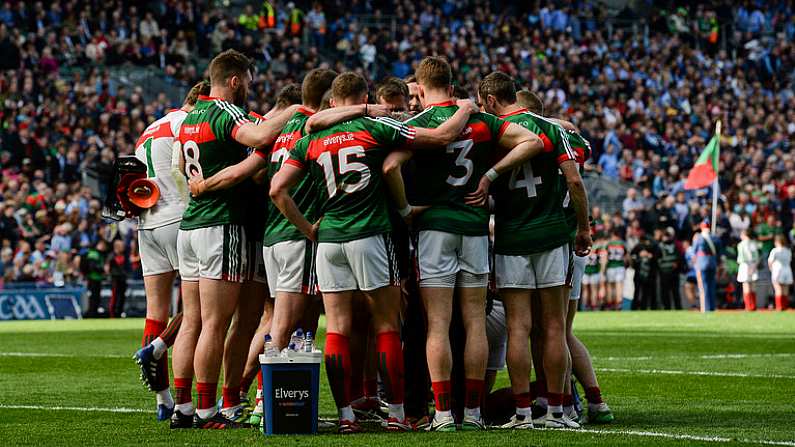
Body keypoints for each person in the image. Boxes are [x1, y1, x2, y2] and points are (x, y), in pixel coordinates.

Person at [270, 71, 477, 433]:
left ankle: (346, 416)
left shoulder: (312, 137)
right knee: (385, 324)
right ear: (365, 96)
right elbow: (443, 135)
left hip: (330, 239)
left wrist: (309, 229)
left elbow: (277, 190)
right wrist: (465, 108)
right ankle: (396, 413)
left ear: (333, 102)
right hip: (371, 234)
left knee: (336, 328)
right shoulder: (375, 129)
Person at [382, 58, 543, 432]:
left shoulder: (417, 123)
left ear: (419, 89)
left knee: (436, 325)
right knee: (473, 323)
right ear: (453, 87)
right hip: (473, 229)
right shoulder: (480, 121)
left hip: (435, 228)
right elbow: (532, 141)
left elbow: (390, 167)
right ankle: (470, 413)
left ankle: (440, 415)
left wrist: (406, 209)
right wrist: (489, 175)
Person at [173, 49, 297, 429]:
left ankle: (183, 406)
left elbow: (180, 168)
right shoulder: (225, 111)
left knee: (193, 321)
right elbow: (258, 134)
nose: (250, 88)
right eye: (248, 81)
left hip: (190, 227)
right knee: (215, 322)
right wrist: (296, 111)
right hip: (220, 225)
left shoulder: (189, 117)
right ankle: (211, 409)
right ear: (234, 80)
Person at [477, 72, 589, 429]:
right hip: (553, 235)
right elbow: (574, 179)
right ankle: (557, 411)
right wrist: (583, 227)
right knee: (555, 326)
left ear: (492, 101)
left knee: (519, 327)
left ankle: (523, 412)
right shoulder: (551, 128)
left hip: (511, 238)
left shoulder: (492, 134)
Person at [131, 80, 208, 422]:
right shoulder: (186, 123)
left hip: (146, 222)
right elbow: (184, 165)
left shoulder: (149, 129)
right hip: (178, 216)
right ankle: (163, 357)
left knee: (155, 312)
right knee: (201, 304)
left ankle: (162, 400)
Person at [693, 221, 720, 312]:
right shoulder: (715, 238)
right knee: (712, 286)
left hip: (702, 263)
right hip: (712, 263)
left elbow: (694, 251)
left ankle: (705, 307)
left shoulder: (699, 238)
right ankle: (712, 307)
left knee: (703, 287)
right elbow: (719, 252)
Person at [657, 227, 683, 310]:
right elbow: (657, 258)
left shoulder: (675, 245)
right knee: (665, 292)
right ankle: (667, 308)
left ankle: (678, 307)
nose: (666, 238)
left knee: (675, 292)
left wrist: (677, 264)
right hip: (664, 272)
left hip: (673, 272)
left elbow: (679, 257)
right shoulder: (660, 246)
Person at [603, 229, 627, 310]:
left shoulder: (609, 244)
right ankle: (619, 304)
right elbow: (626, 257)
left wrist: (603, 269)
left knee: (610, 287)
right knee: (619, 286)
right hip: (620, 266)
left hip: (611, 267)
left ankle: (610, 304)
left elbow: (605, 257)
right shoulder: (622, 243)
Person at [737, 229, 760, 311]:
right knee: (753, 286)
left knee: (746, 286)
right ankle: (753, 306)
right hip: (753, 265)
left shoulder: (741, 245)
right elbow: (757, 257)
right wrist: (754, 266)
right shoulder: (754, 243)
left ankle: (748, 306)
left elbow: (740, 259)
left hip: (745, 265)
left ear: (744, 235)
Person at [768, 235, 792, 311]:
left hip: (778, 270)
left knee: (778, 289)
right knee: (785, 289)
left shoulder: (775, 250)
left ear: (777, 242)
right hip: (787, 270)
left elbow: (770, 262)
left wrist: (771, 269)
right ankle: (785, 306)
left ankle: (779, 307)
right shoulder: (788, 250)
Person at [107, 239, 129, 318]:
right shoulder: (112, 256)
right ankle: (112, 314)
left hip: (122, 279)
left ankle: (119, 312)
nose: (123, 247)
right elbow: (107, 268)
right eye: (121, 246)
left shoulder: (124, 256)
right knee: (114, 297)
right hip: (115, 279)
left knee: (122, 297)